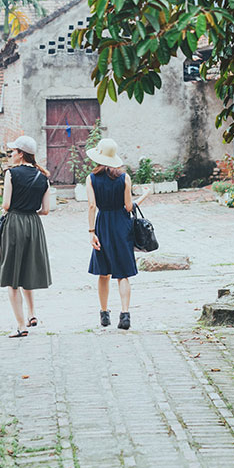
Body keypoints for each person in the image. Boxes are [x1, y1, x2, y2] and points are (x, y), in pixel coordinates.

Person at [86, 138, 149, 330]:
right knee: (123, 273)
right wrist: (145, 196)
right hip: (122, 225)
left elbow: (91, 206)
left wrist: (91, 232)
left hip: (103, 223)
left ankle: (104, 314)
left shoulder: (91, 178)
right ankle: (125, 315)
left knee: (103, 272)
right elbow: (129, 207)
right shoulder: (125, 178)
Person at [0, 135, 52, 338]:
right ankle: (32, 314)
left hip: (15, 223)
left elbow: (6, 205)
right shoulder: (44, 176)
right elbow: (45, 210)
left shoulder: (12, 174)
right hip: (34, 225)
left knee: (12, 278)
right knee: (27, 270)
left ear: (21, 153)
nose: (11, 154)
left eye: (13, 151)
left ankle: (21, 326)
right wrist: (31, 213)